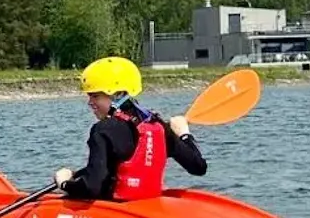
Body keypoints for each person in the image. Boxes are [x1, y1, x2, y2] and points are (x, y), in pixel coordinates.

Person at [53, 56, 207, 202]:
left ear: (117, 94)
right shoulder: (158, 125)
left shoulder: (102, 130)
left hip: (114, 212)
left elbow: (92, 188)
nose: (90, 102)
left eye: (95, 96)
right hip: (148, 206)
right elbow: (198, 167)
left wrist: (65, 183)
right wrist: (183, 133)